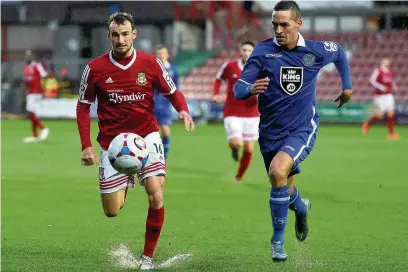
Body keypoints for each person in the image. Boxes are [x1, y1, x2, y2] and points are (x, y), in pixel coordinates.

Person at [234, 0, 352, 261]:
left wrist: (347, 87)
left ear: (298, 24)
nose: (278, 29)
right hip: (269, 132)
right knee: (282, 185)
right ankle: (300, 208)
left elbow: (340, 53)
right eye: (274, 24)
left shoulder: (315, 50)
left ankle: (277, 241)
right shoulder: (263, 51)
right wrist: (251, 89)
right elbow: (239, 88)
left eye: (284, 24)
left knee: (278, 171)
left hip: (301, 127)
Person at [76, 12, 195, 270]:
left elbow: (172, 91)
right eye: (115, 35)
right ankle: (127, 178)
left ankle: (147, 258)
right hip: (112, 146)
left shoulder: (150, 63)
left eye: (125, 34)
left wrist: (183, 110)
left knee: (156, 194)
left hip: (146, 137)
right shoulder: (95, 68)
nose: (121, 39)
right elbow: (83, 107)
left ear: (134, 34)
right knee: (112, 211)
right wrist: (86, 145)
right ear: (108, 36)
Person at [212, 41, 259, 183]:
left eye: (249, 50)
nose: (246, 52)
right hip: (232, 112)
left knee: (249, 148)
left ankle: (239, 177)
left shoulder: (259, 68)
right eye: (244, 49)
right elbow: (218, 79)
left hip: (252, 113)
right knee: (238, 143)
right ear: (240, 51)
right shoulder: (230, 66)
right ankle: (234, 148)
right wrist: (215, 94)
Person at [153, 45, 180, 166]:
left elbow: (176, 88)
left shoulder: (173, 70)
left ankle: (164, 157)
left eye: (163, 53)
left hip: (165, 104)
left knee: (165, 130)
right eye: (159, 53)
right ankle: (153, 157)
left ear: (167, 55)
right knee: (152, 133)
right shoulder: (151, 68)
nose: (161, 55)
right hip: (151, 104)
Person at [362, 57, 399, 139]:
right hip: (380, 96)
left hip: (389, 95)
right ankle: (367, 124)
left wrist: (394, 87)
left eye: (388, 61)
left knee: (391, 113)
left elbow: (391, 81)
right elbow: (372, 80)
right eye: (386, 61)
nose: (387, 62)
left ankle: (391, 134)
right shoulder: (378, 70)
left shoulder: (390, 72)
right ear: (382, 62)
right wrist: (381, 87)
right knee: (379, 115)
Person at [22, 50, 50, 143]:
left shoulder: (37, 65)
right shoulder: (25, 67)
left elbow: (44, 75)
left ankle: (43, 128)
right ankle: (35, 135)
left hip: (36, 92)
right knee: (32, 113)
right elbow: (26, 81)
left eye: (29, 56)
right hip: (30, 93)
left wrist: (44, 88)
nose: (27, 58)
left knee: (31, 112)